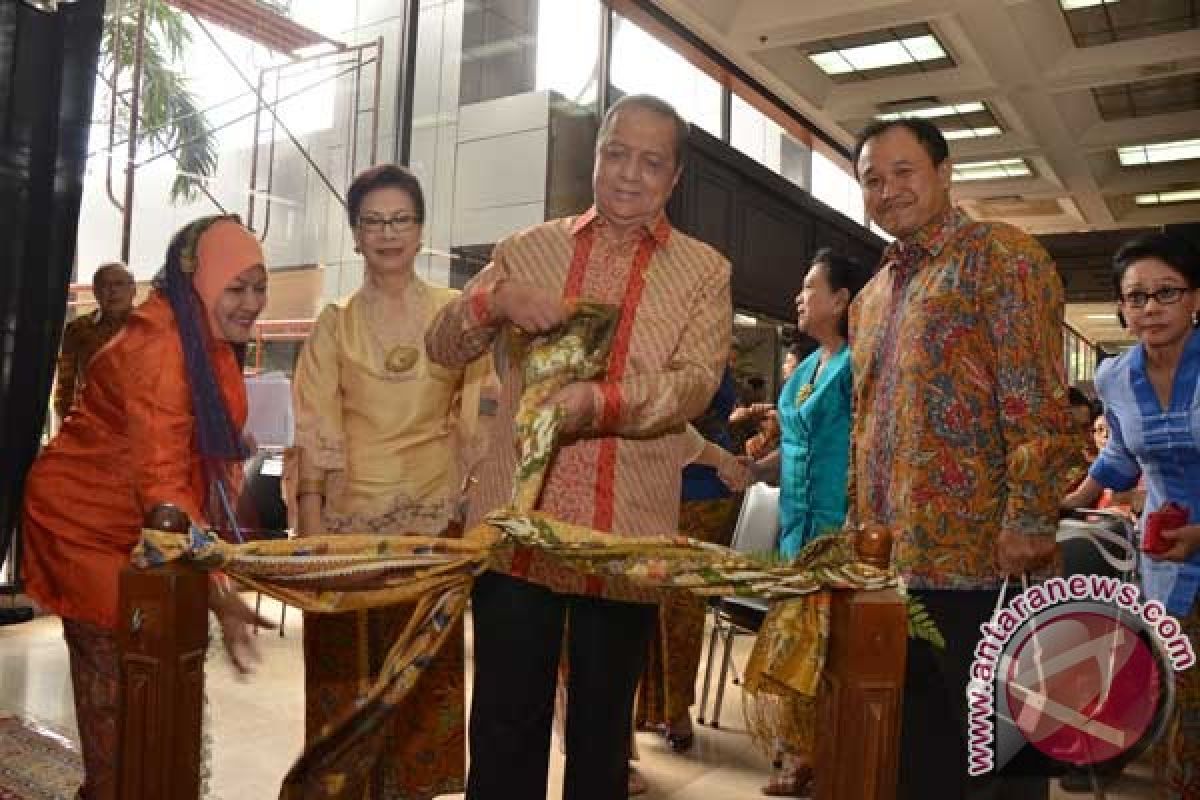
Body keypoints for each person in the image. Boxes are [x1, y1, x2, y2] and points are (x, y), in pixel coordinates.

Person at [425, 93, 731, 800]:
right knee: (504, 724)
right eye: (616, 153)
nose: (629, 174)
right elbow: (442, 343)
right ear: (595, 156)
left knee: (601, 735)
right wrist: (491, 303)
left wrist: (599, 403)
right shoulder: (527, 249)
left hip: (623, 536)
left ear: (674, 177)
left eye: (651, 162)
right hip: (516, 529)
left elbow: (691, 385)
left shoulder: (703, 272)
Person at [849, 117, 1077, 800]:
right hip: (895, 565)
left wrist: (1031, 521)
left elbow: (1037, 400)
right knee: (917, 754)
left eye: (903, 171)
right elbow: (866, 426)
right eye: (871, 178)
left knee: (1000, 761)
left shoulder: (1002, 257)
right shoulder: (871, 295)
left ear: (945, 173)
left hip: (987, 562)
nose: (887, 190)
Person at [22, 216, 270, 800]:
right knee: (116, 690)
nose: (252, 303)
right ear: (199, 280)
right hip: (83, 524)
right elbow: (164, 482)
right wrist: (219, 588)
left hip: (142, 526)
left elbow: (194, 460)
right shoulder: (160, 346)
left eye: (259, 286)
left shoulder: (200, 334)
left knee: (150, 693)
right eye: (236, 287)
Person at [291, 164, 482, 800]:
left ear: (421, 229)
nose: (388, 232)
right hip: (346, 532)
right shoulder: (334, 322)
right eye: (373, 221)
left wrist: (470, 496)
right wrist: (312, 529)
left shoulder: (455, 317)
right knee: (346, 684)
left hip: (430, 530)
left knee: (420, 688)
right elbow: (315, 420)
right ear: (354, 235)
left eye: (401, 219)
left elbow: (479, 407)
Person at [1061, 232, 1200, 799]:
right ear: (1121, 307)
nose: (1150, 308)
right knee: (1179, 694)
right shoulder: (1114, 376)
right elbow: (1119, 453)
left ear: (1195, 298)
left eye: (1166, 293)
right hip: (1166, 554)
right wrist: (1070, 501)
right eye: (1136, 296)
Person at [741, 249, 867, 797]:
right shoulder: (804, 371)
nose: (799, 296)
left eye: (810, 287)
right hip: (796, 531)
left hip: (840, 528)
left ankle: (833, 756)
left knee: (835, 649)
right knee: (799, 643)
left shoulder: (857, 365)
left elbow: (867, 447)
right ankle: (800, 753)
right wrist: (744, 470)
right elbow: (789, 452)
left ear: (841, 300)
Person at [635, 366, 745, 755]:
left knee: (681, 606)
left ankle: (676, 709)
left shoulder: (703, 352)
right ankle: (649, 708)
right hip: (652, 485)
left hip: (701, 490)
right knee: (641, 598)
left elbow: (675, 413)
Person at [54, 261, 136, 420]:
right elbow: (65, 386)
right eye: (104, 285)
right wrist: (68, 423)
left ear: (133, 289)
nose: (113, 291)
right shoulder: (77, 329)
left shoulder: (149, 328)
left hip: (139, 424)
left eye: (119, 284)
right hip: (92, 423)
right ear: (95, 292)